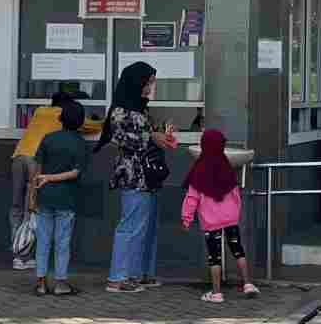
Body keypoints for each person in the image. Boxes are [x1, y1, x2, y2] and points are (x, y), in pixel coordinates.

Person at [98, 61, 178, 294]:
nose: (151, 86)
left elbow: (147, 133)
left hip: (149, 175)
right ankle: (117, 278)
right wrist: (152, 137)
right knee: (130, 226)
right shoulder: (121, 111)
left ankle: (139, 273)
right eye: (149, 82)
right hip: (133, 176)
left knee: (146, 227)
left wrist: (163, 134)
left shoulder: (141, 108)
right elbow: (123, 139)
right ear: (137, 82)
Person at [10, 85, 102, 271]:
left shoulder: (40, 111)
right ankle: (25, 255)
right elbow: (91, 126)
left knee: (16, 206)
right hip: (35, 160)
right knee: (32, 206)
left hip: (18, 156)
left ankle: (17, 250)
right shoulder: (63, 114)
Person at [180, 128, 258, 303]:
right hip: (230, 219)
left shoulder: (199, 168)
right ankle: (247, 284)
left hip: (211, 221)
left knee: (214, 257)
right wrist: (235, 213)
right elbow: (235, 193)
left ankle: (216, 293)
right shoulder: (226, 166)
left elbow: (192, 197)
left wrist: (187, 218)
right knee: (238, 250)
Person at [29, 100, 90, 296]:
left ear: (60, 118)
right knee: (62, 241)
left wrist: (33, 196)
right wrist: (52, 178)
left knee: (43, 240)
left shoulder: (48, 138)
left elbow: (36, 171)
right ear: (80, 122)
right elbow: (76, 173)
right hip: (67, 198)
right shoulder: (80, 143)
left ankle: (40, 282)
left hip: (45, 197)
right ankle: (61, 283)